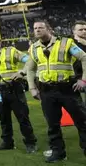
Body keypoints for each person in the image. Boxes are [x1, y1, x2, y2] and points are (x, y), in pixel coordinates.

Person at [25, 20, 86, 162]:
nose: (38, 30)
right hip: (46, 91)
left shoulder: (65, 43)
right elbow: (30, 69)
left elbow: (84, 58)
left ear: (49, 29)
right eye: (35, 28)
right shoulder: (34, 48)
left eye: (41, 27)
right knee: (52, 125)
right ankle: (58, 153)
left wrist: (83, 80)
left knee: (82, 122)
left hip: (67, 89)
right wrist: (32, 88)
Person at [0, 33, 37, 153]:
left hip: (13, 88)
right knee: (3, 118)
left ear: (0, 40)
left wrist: (22, 73)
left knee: (22, 117)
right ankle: (7, 142)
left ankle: (30, 142)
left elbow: (30, 60)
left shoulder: (11, 51)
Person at [73, 21, 86, 104]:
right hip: (78, 78)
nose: (84, 31)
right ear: (74, 31)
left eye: (85, 29)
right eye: (81, 29)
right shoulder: (71, 44)